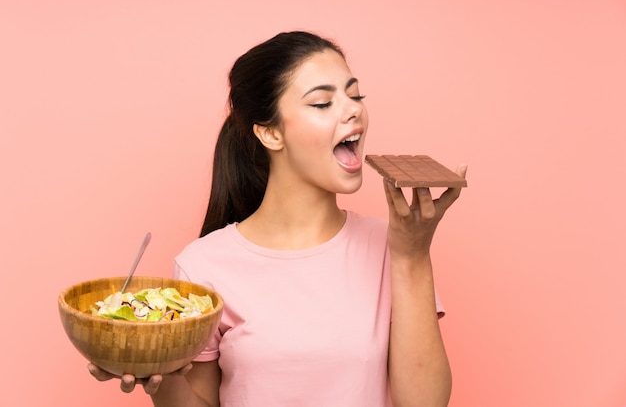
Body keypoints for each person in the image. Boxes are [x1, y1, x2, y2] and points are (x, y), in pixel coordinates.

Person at [89, 30, 467, 407]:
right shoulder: (203, 268)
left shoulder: (393, 246)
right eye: (322, 103)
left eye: (355, 95)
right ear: (270, 133)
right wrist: (161, 375)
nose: (352, 109)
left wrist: (412, 255)